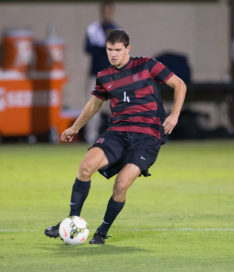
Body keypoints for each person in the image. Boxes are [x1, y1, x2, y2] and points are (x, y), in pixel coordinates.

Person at [44, 29, 187, 244]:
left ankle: (102, 232)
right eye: (110, 50)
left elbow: (179, 84)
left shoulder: (147, 65)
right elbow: (94, 104)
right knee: (85, 166)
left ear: (128, 49)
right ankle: (71, 220)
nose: (113, 54)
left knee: (121, 185)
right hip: (118, 133)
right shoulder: (104, 76)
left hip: (146, 138)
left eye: (118, 50)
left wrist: (175, 114)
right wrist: (74, 127)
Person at [84, 1, 119, 145]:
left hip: (112, 75)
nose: (106, 14)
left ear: (112, 12)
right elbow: (87, 49)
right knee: (93, 107)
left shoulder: (117, 30)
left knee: (117, 107)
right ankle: (90, 139)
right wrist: (104, 43)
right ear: (101, 12)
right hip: (96, 75)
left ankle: (118, 137)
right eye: (104, 11)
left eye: (108, 11)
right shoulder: (93, 29)